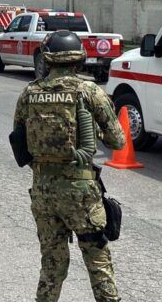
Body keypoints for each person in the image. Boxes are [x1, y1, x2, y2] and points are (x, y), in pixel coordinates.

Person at [12, 30, 126, 302]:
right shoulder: (89, 92)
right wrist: (92, 135)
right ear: (78, 60)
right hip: (81, 193)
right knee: (97, 260)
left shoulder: (30, 93)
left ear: (48, 59)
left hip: (43, 192)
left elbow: (19, 141)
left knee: (52, 263)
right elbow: (118, 141)